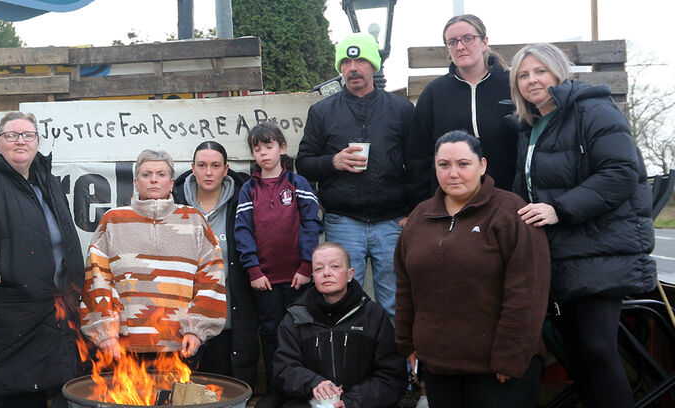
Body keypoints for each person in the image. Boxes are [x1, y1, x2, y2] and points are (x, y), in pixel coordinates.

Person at [510, 43, 656, 408]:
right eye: (524, 75)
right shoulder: (531, 127)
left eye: (540, 71)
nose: (532, 81)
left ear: (559, 71)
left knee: (598, 349)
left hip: (601, 249)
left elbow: (622, 172)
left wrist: (560, 209)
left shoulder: (592, 109)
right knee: (578, 354)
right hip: (562, 255)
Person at [395, 130, 551, 408]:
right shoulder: (419, 217)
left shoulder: (511, 212)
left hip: (498, 370)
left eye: (463, 164)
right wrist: (407, 343)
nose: (453, 173)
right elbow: (406, 286)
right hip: (439, 367)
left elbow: (527, 291)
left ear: (482, 165)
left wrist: (510, 356)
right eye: (444, 165)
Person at [0, 111, 84, 408]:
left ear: (37, 142)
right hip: (0, 326)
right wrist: (11, 278)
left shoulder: (46, 182)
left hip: (46, 322)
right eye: (11, 135)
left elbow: (62, 240)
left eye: (28, 135)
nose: (20, 141)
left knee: (37, 396)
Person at [295, 32, 419, 316]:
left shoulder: (400, 110)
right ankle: (354, 362)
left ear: (373, 65)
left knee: (395, 304)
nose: (353, 68)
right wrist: (333, 162)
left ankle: (392, 362)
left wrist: (413, 210)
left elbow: (418, 164)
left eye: (361, 60)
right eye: (347, 62)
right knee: (345, 303)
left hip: (393, 222)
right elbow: (304, 163)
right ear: (340, 68)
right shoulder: (322, 111)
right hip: (343, 221)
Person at [81, 149, 226, 358]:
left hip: (180, 348)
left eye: (161, 174)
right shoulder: (113, 221)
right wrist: (105, 333)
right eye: (146, 174)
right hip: (124, 349)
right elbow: (97, 279)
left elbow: (212, 279)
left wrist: (197, 329)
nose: (154, 180)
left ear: (171, 181)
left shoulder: (194, 221)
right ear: (135, 182)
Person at [235, 121, 322, 401]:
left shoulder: (298, 184)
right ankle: (275, 389)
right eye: (257, 149)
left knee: (301, 334)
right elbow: (243, 231)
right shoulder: (249, 189)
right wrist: (253, 270)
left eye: (269, 146)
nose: (263, 153)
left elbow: (311, 225)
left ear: (282, 148)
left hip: (298, 278)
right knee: (270, 334)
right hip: (266, 282)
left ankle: (300, 390)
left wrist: (307, 267)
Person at [273, 243, 404, 408]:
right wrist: (313, 383)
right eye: (319, 269)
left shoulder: (374, 315)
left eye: (335, 266)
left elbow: (391, 376)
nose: (326, 273)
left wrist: (350, 402)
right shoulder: (294, 319)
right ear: (313, 276)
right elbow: (283, 369)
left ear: (350, 274)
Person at [172, 141, 259, 386]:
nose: (208, 172)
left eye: (215, 165)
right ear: (192, 168)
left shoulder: (242, 203)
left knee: (226, 388)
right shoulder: (174, 204)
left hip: (232, 313)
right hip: (185, 321)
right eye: (202, 165)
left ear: (226, 168)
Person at [408, 14, 518, 191]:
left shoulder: (512, 85)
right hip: (452, 202)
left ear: (484, 42)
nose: (460, 47)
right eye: (452, 41)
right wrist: (423, 205)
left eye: (468, 39)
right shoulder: (434, 93)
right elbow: (419, 155)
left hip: (509, 198)